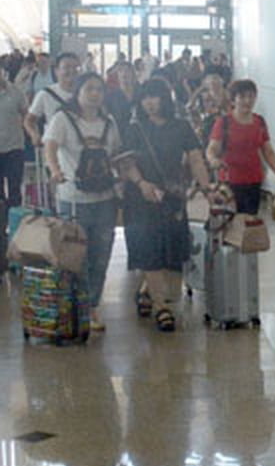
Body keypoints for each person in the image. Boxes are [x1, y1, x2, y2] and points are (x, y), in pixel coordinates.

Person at [118, 77, 214, 332]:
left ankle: (147, 291)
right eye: (145, 97)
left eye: (155, 96)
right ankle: (162, 307)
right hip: (141, 199)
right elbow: (127, 163)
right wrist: (142, 184)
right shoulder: (135, 129)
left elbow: (196, 159)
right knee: (150, 251)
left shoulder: (181, 127)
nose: (150, 103)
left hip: (172, 199)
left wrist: (207, 188)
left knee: (172, 252)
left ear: (165, 98)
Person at [43, 72, 121, 332]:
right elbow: (50, 147)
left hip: (105, 199)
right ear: (78, 92)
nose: (95, 94)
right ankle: (75, 305)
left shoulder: (108, 122)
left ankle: (92, 306)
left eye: (99, 89)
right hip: (73, 200)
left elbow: (117, 153)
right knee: (76, 255)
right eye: (89, 89)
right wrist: (55, 170)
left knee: (101, 254)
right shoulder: (63, 119)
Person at [206, 79, 275, 215]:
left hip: (254, 181)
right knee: (231, 224)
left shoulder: (259, 122)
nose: (247, 101)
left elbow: (268, 151)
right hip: (229, 182)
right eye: (242, 97)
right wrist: (213, 160)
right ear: (233, 100)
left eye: (251, 96)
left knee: (250, 221)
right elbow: (212, 149)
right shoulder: (224, 122)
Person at [24, 52, 81, 145]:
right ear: (56, 71)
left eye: (76, 67)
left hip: (81, 148)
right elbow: (29, 120)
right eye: (66, 67)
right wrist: (34, 134)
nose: (72, 71)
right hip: (54, 148)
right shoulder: (45, 94)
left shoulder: (87, 94)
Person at [0, 70, 28, 212]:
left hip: (14, 147)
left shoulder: (16, 92)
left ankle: (16, 225)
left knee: (15, 189)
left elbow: (26, 115)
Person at [104, 60, 138, 145]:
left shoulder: (141, 93)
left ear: (132, 74)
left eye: (127, 70)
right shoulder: (110, 96)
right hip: (120, 136)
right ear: (117, 75)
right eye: (120, 71)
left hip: (140, 135)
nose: (124, 73)